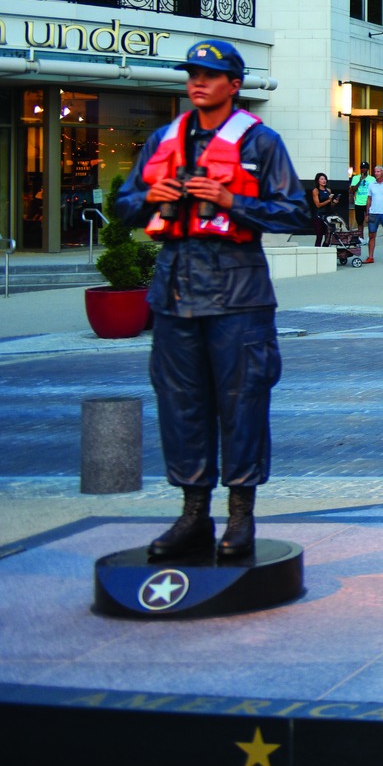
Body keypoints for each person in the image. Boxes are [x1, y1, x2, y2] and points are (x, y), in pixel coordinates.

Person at [111, 40, 315, 562]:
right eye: (192, 73)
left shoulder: (261, 143)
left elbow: (296, 214)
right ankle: (193, 514)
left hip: (239, 294)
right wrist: (148, 199)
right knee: (180, 406)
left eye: (209, 73)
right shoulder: (165, 138)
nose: (197, 82)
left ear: (234, 84)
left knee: (243, 402)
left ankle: (242, 514)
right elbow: (126, 204)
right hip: (175, 292)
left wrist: (231, 200)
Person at [309, 173, 341, 244]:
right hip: (319, 215)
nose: (324, 181)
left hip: (327, 215)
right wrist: (328, 200)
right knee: (319, 235)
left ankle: (325, 249)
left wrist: (334, 202)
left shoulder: (328, 190)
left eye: (325, 179)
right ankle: (317, 250)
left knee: (328, 235)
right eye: (322, 179)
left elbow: (331, 205)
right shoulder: (316, 190)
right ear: (318, 181)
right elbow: (318, 205)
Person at [350, 161, 373, 233]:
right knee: (359, 222)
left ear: (368, 169)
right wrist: (360, 181)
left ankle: (370, 237)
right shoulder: (356, 178)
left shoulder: (372, 179)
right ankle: (361, 238)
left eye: (365, 168)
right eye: (362, 168)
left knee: (370, 221)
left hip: (368, 203)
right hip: (358, 203)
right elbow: (353, 190)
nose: (363, 170)